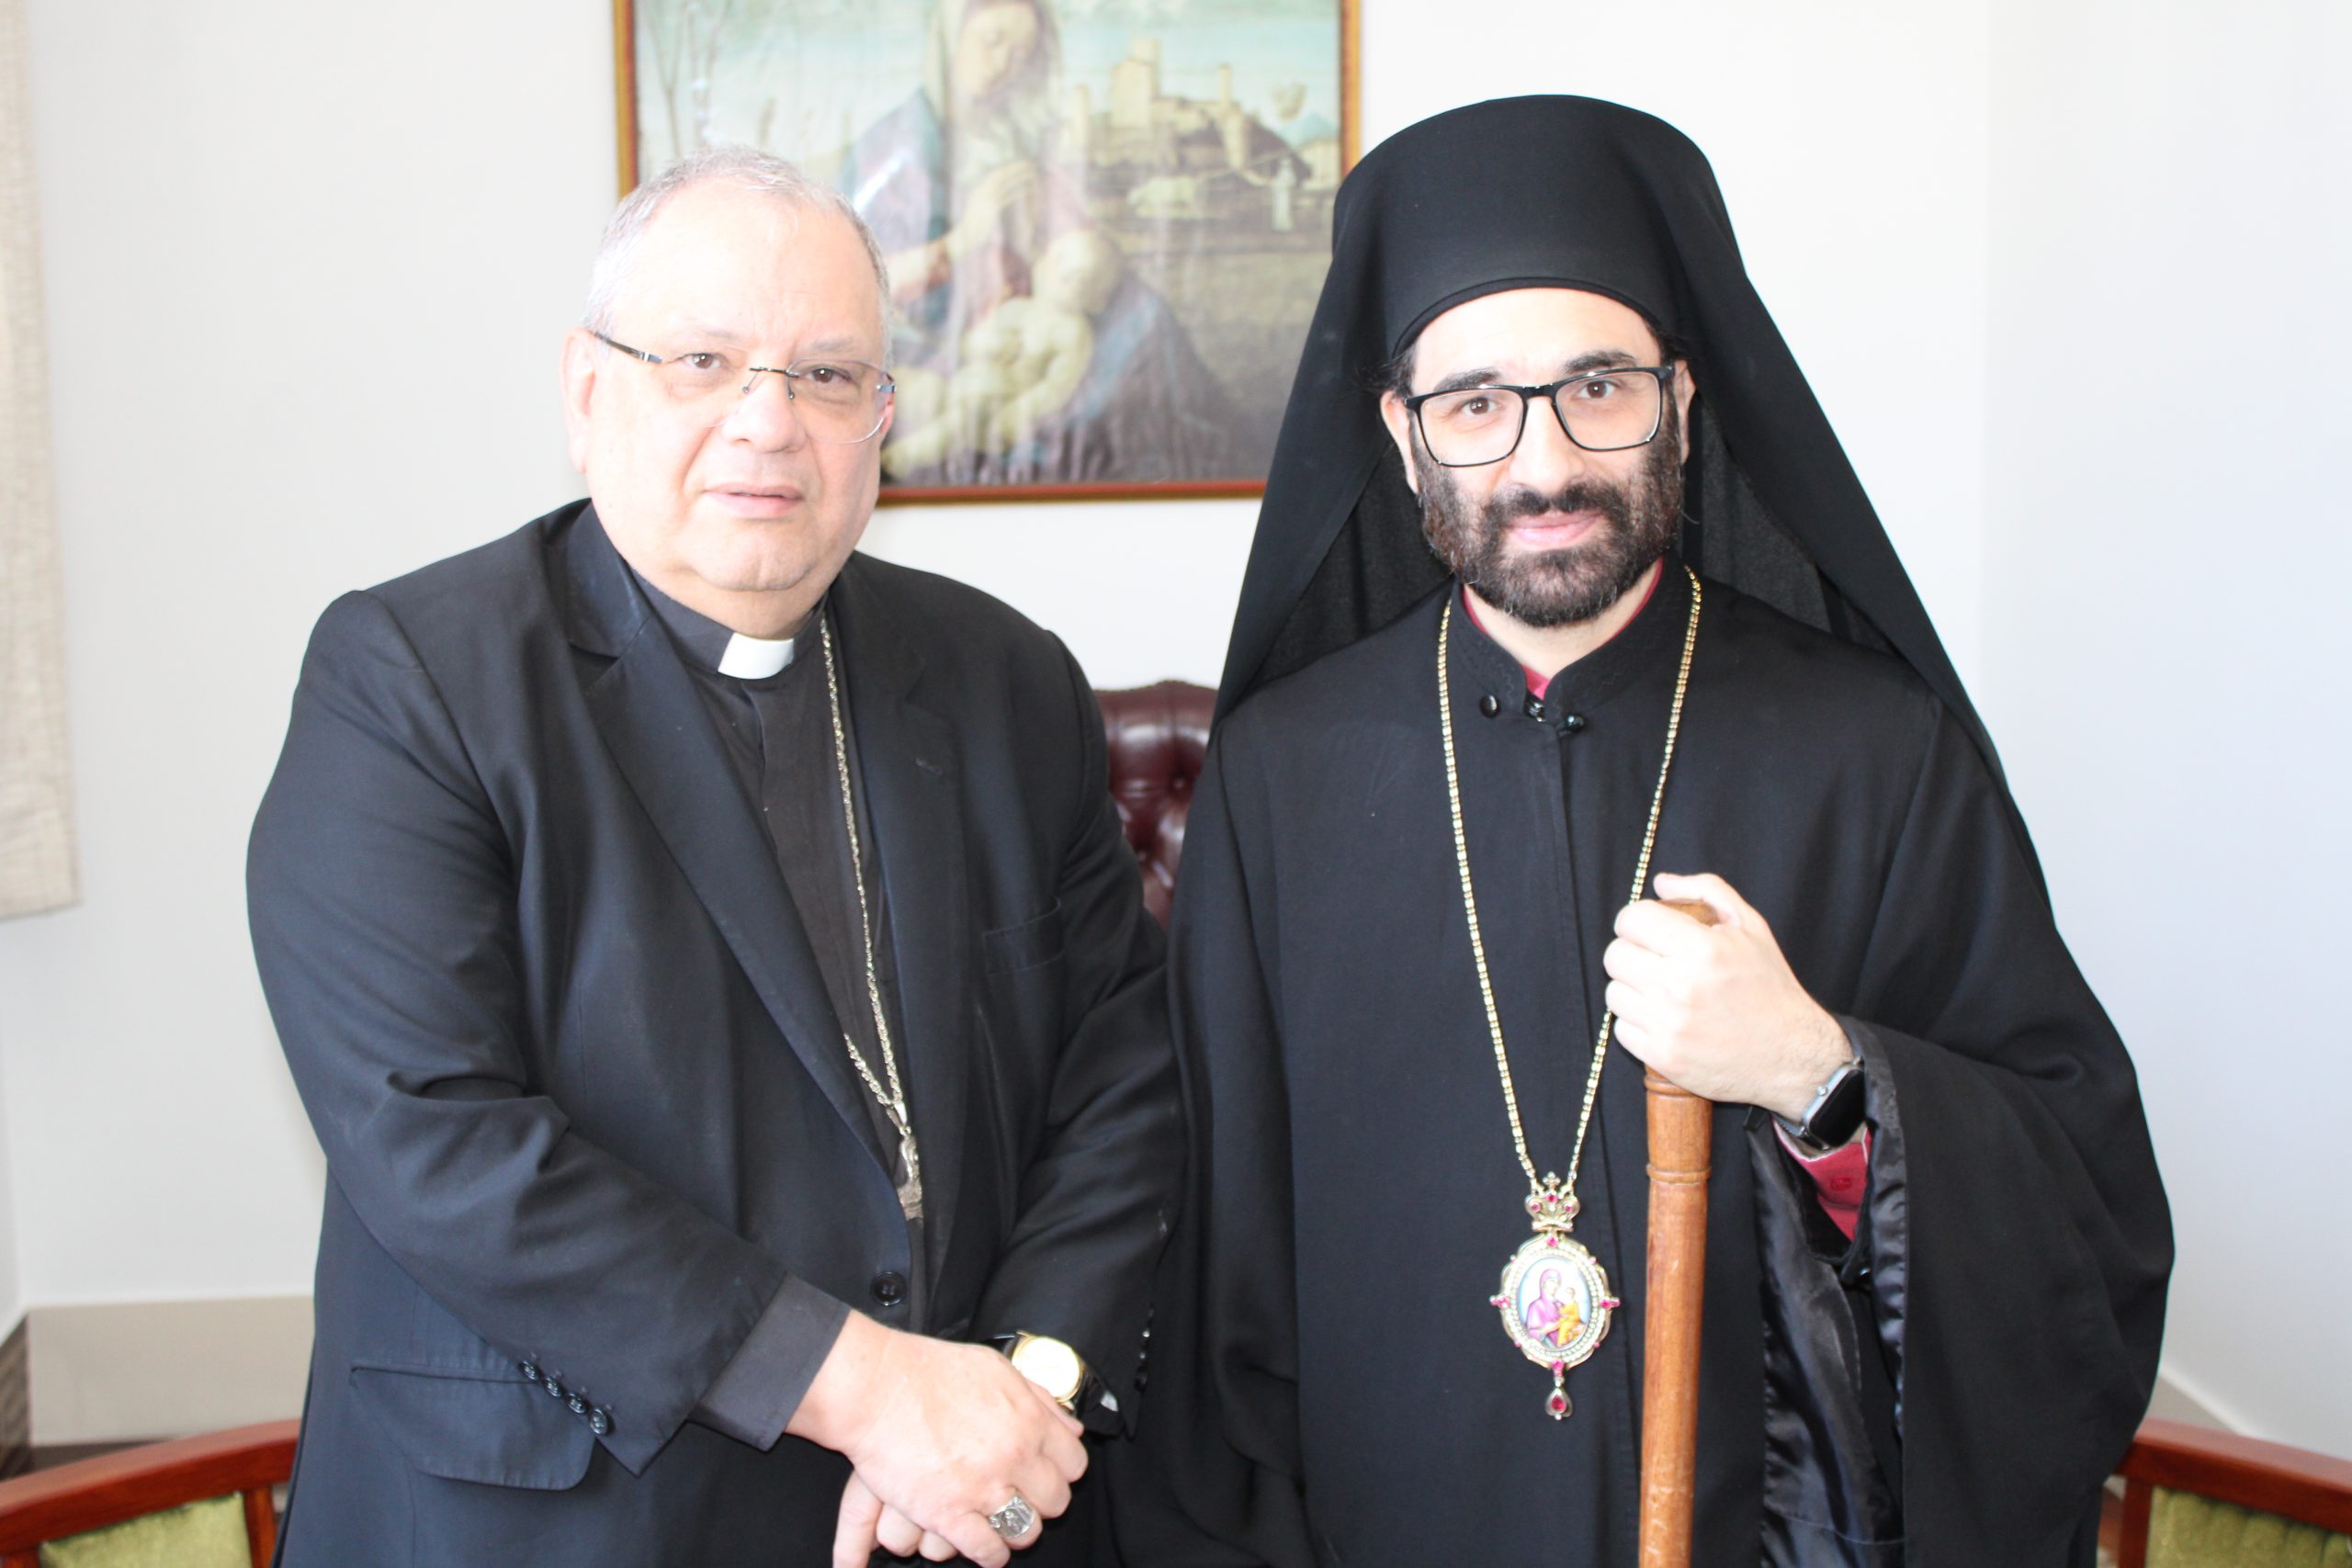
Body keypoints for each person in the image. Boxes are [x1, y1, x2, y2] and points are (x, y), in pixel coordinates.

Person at [1119, 96, 2171, 1567]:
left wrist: (1823, 1073)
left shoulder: (1874, 750)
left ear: (1683, 396)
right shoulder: (1280, 781)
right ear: (1399, 435)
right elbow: (1208, 1273)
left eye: (1597, 386)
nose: (1542, 461)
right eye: (1475, 403)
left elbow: (2085, 1214)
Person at [247, 145, 1180, 1568]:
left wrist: (1016, 1384)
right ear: (587, 388)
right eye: (702, 360)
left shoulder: (1002, 677)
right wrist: (872, 1386)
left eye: (824, 376)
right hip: (565, 1516)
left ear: (883, 418)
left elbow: (1127, 1065)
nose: (768, 423)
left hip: (957, 1509)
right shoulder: (412, 679)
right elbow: (438, 1131)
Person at [838, 0, 1246, 486]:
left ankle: (1207, 455)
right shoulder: (894, 147)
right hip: (929, 337)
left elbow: (1071, 227)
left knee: (1142, 311)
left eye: (1021, 53)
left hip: (1029, 311)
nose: (1004, 63)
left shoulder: (1015, 130)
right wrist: (966, 236)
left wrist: (1065, 247)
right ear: (950, 40)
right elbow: (856, 284)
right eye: (993, 42)